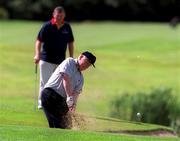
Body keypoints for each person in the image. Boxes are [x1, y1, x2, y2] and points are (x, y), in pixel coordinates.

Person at [41, 51, 96, 129]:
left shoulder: (81, 78)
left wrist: (73, 106)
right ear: (80, 57)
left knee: (67, 126)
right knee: (56, 126)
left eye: (89, 65)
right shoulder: (70, 62)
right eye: (87, 62)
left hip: (62, 100)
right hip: (50, 95)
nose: (87, 66)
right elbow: (66, 79)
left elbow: (76, 93)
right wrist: (69, 97)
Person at [34, 6, 75, 109]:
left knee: (58, 84)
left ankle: (54, 104)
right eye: (57, 16)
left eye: (61, 16)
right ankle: (42, 103)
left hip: (60, 61)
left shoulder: (67, 27)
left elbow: (70, 43)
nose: (59, 18)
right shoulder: (47, 26)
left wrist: (71, 57)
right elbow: (39, 41)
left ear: (64, 15)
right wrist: (37, 54)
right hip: (46, 59)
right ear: (54, 15)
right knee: (45, 82)